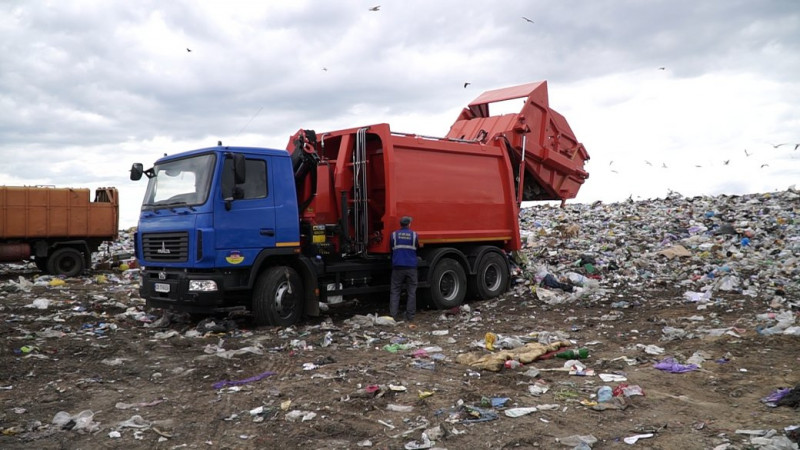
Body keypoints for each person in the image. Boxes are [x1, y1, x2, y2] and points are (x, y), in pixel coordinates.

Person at [390, 216, 419, 324]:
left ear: (400, 224)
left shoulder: (393, 235)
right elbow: (416, 247)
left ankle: (393, 315)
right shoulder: (414, 235)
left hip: (397, 266)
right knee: (411, 292)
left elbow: (391, 248)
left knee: (395, 291)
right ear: (409, 224)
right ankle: (410, 316)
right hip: (411, 266)